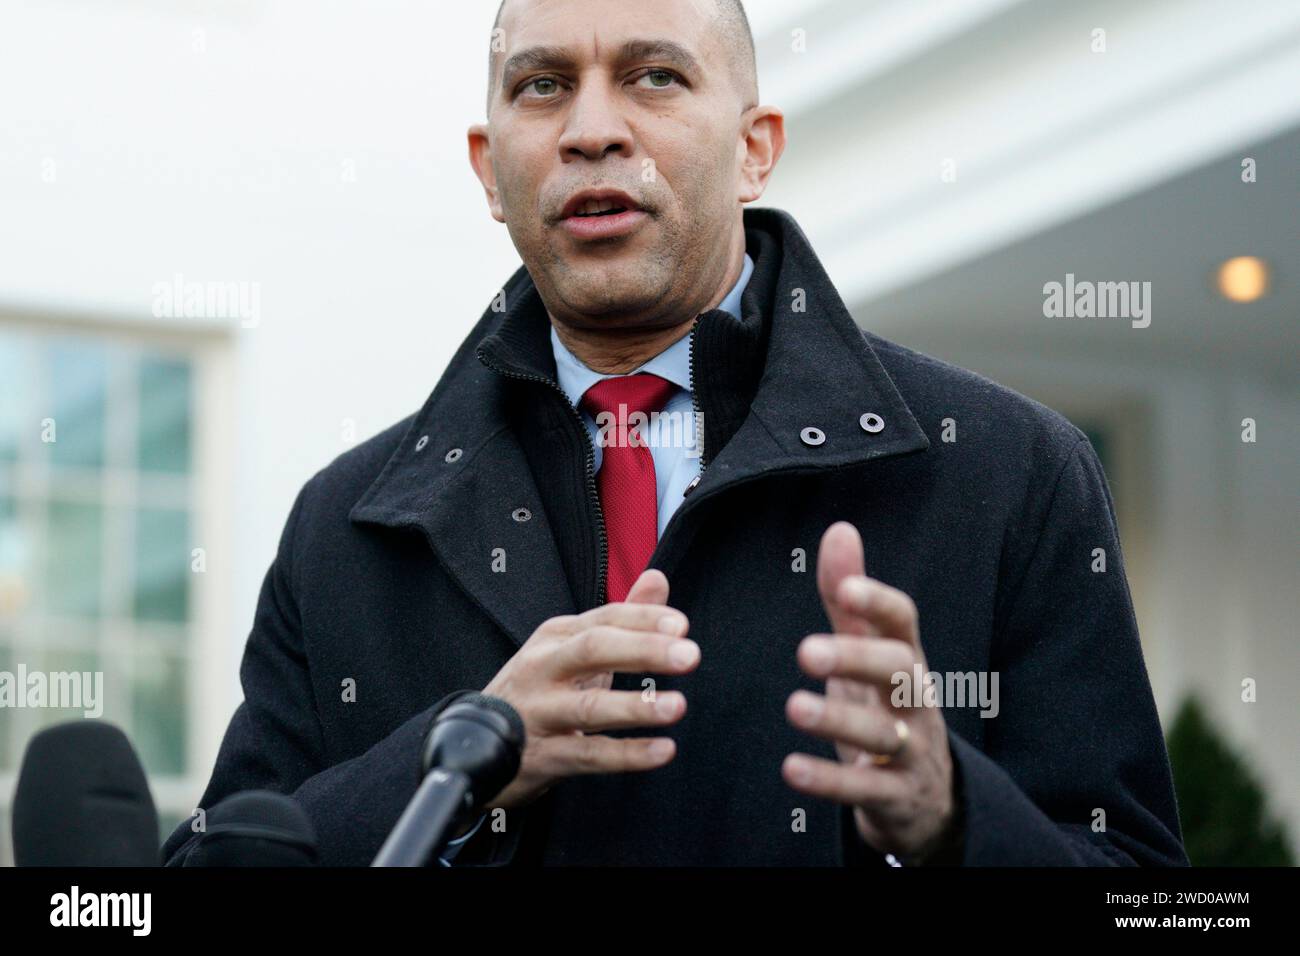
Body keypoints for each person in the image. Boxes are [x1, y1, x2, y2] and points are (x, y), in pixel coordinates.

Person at [163, 0, 1187, 867]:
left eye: (654, 77)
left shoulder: (1008, 473)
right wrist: (452, 758)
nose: (591, 130)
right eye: (542, 86)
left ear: (754, 149)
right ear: (488, 169)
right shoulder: (346, 523)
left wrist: (953, 814)